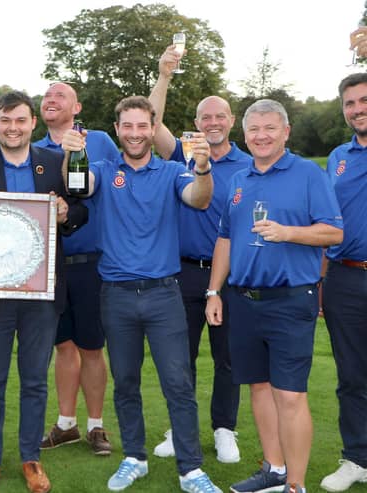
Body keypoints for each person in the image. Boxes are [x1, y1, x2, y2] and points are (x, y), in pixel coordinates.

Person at [62, 95, 221, 493]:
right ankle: (135, 457)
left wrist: (202, 167)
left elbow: (199, 198)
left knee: (177, 383)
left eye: (142, 126)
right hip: (115, 295)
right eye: (127, 126)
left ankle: (190, 470)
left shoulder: (172, 171)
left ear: (153, 129)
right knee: (126, 381)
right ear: (117, 130)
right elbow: (76, 186)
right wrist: (70, 155)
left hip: (164, 294)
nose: (135, 133)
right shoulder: (101, 167)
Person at [204, 99, 343, 493]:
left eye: (269, 128)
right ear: (244, 134)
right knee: (259, 387)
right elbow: (226, 239)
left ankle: (295, 485)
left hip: (290, 299)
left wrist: (289, 232)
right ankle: (274, 470)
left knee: (289, 393)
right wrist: (214, 291)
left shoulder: (307, 174)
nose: (261, 136)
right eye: (254, 130)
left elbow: (334, 233)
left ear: (285, 132)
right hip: (243, 299)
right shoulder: (239, 178)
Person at [0, 90, 88, 493]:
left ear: (33, 124)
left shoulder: (54, 162)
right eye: (5, 120)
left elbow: (81, 208)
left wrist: (66, 213)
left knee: (34, 380)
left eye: (20, 121)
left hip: (40, 294)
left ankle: (31, 457)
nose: (12, 128)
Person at [147, 45, 248, 463]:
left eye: (219, 116)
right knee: (179, 360)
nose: (212, 122)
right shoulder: (185, 154)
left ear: (230, 121)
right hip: (184, 273)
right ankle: (179, 427)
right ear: (196, 124)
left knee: (228, 359)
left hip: (232, 275)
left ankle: (225, 429)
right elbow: (151, 127)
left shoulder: (249, 162)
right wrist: (164, 76)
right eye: (205, 117)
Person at [34, 82, 120, 455]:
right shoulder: (33, 150)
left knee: (90, 348)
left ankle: (96, 427)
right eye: (47, 96)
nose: (51, 100)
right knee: (63, 346)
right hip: (49, 264)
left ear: (77, 107)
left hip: (90, 263)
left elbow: (117, 185)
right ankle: (66, 423)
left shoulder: (99, 140)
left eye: (60, 96)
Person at [320, 72, 367, 492]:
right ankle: (357, 457)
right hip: (345, 278)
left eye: (364, 100)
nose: (358, 109)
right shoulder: (338, 156)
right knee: (351, 375)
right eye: (350, 103)